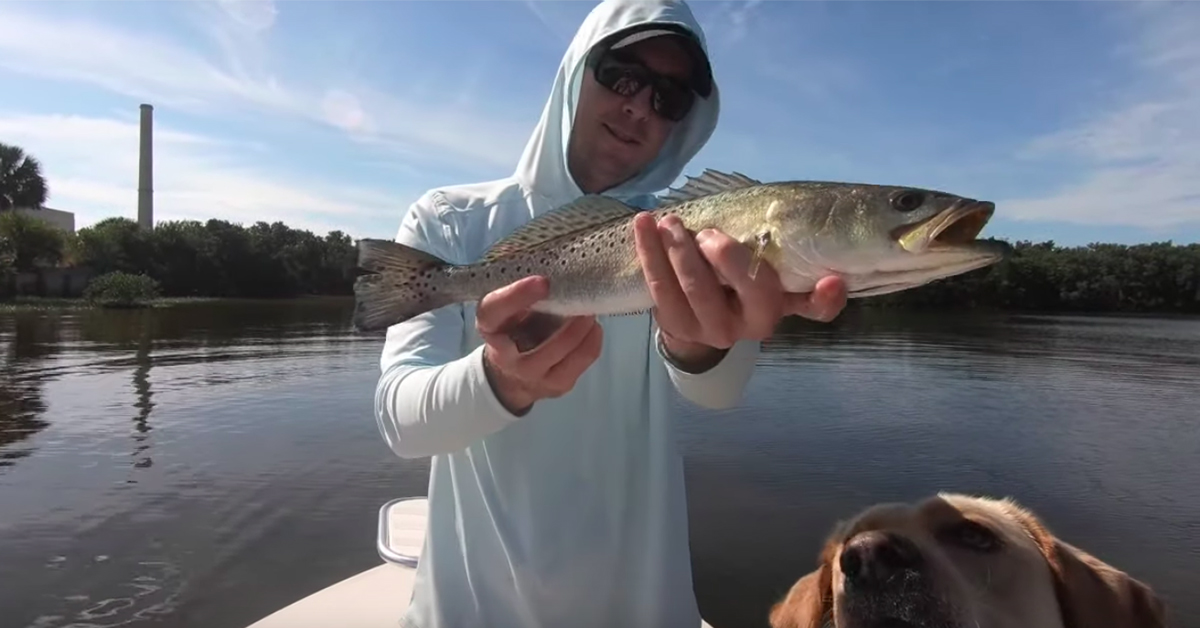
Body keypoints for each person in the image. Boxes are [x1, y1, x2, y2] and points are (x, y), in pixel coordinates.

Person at [373, 1, 847, 627]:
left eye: (670, 98)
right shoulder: (450, 221)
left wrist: (700, 343)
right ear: (576, 71)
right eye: (623, 75)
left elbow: (717, 395)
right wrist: (499, 381)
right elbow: (401, 421)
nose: (640, 107)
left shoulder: (696, 234)